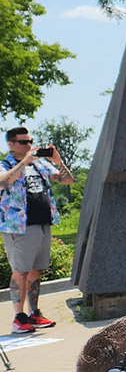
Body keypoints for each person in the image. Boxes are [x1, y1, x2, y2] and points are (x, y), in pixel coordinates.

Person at [1, 127, 72, 334]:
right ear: (11, 144)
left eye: (30, 141)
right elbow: (2, 181)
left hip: (42, 222)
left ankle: (34, 314)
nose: (29, 145)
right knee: (20, 271)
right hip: (19, 227)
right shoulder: (5, 164)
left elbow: (66, 179)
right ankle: (18, 317)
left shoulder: (40, 163)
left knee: (35, 271)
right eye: (23, 142)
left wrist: (58, 160)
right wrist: (24, 163)